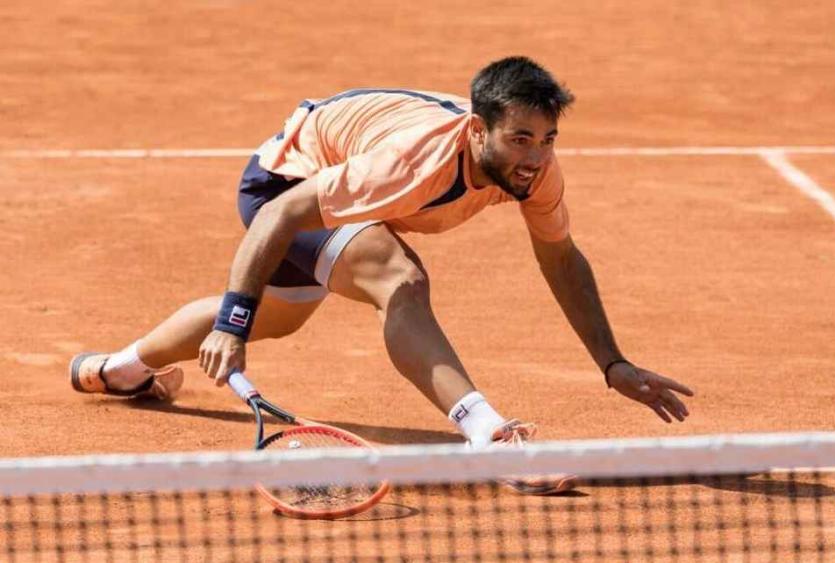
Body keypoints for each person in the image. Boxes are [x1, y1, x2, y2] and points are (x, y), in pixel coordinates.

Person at [69, 56, 694, 494]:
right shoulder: (410, 163)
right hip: (287, 185)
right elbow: (281, 214)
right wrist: (231, 321)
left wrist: (611, 362)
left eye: (547, 140)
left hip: (333, 187)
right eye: (521, 140)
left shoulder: (535, 172)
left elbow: (560, 257)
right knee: (399, 280)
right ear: (479, 131)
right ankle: (487, 435)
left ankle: (121, 370)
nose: (535, 157)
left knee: (279, 319)